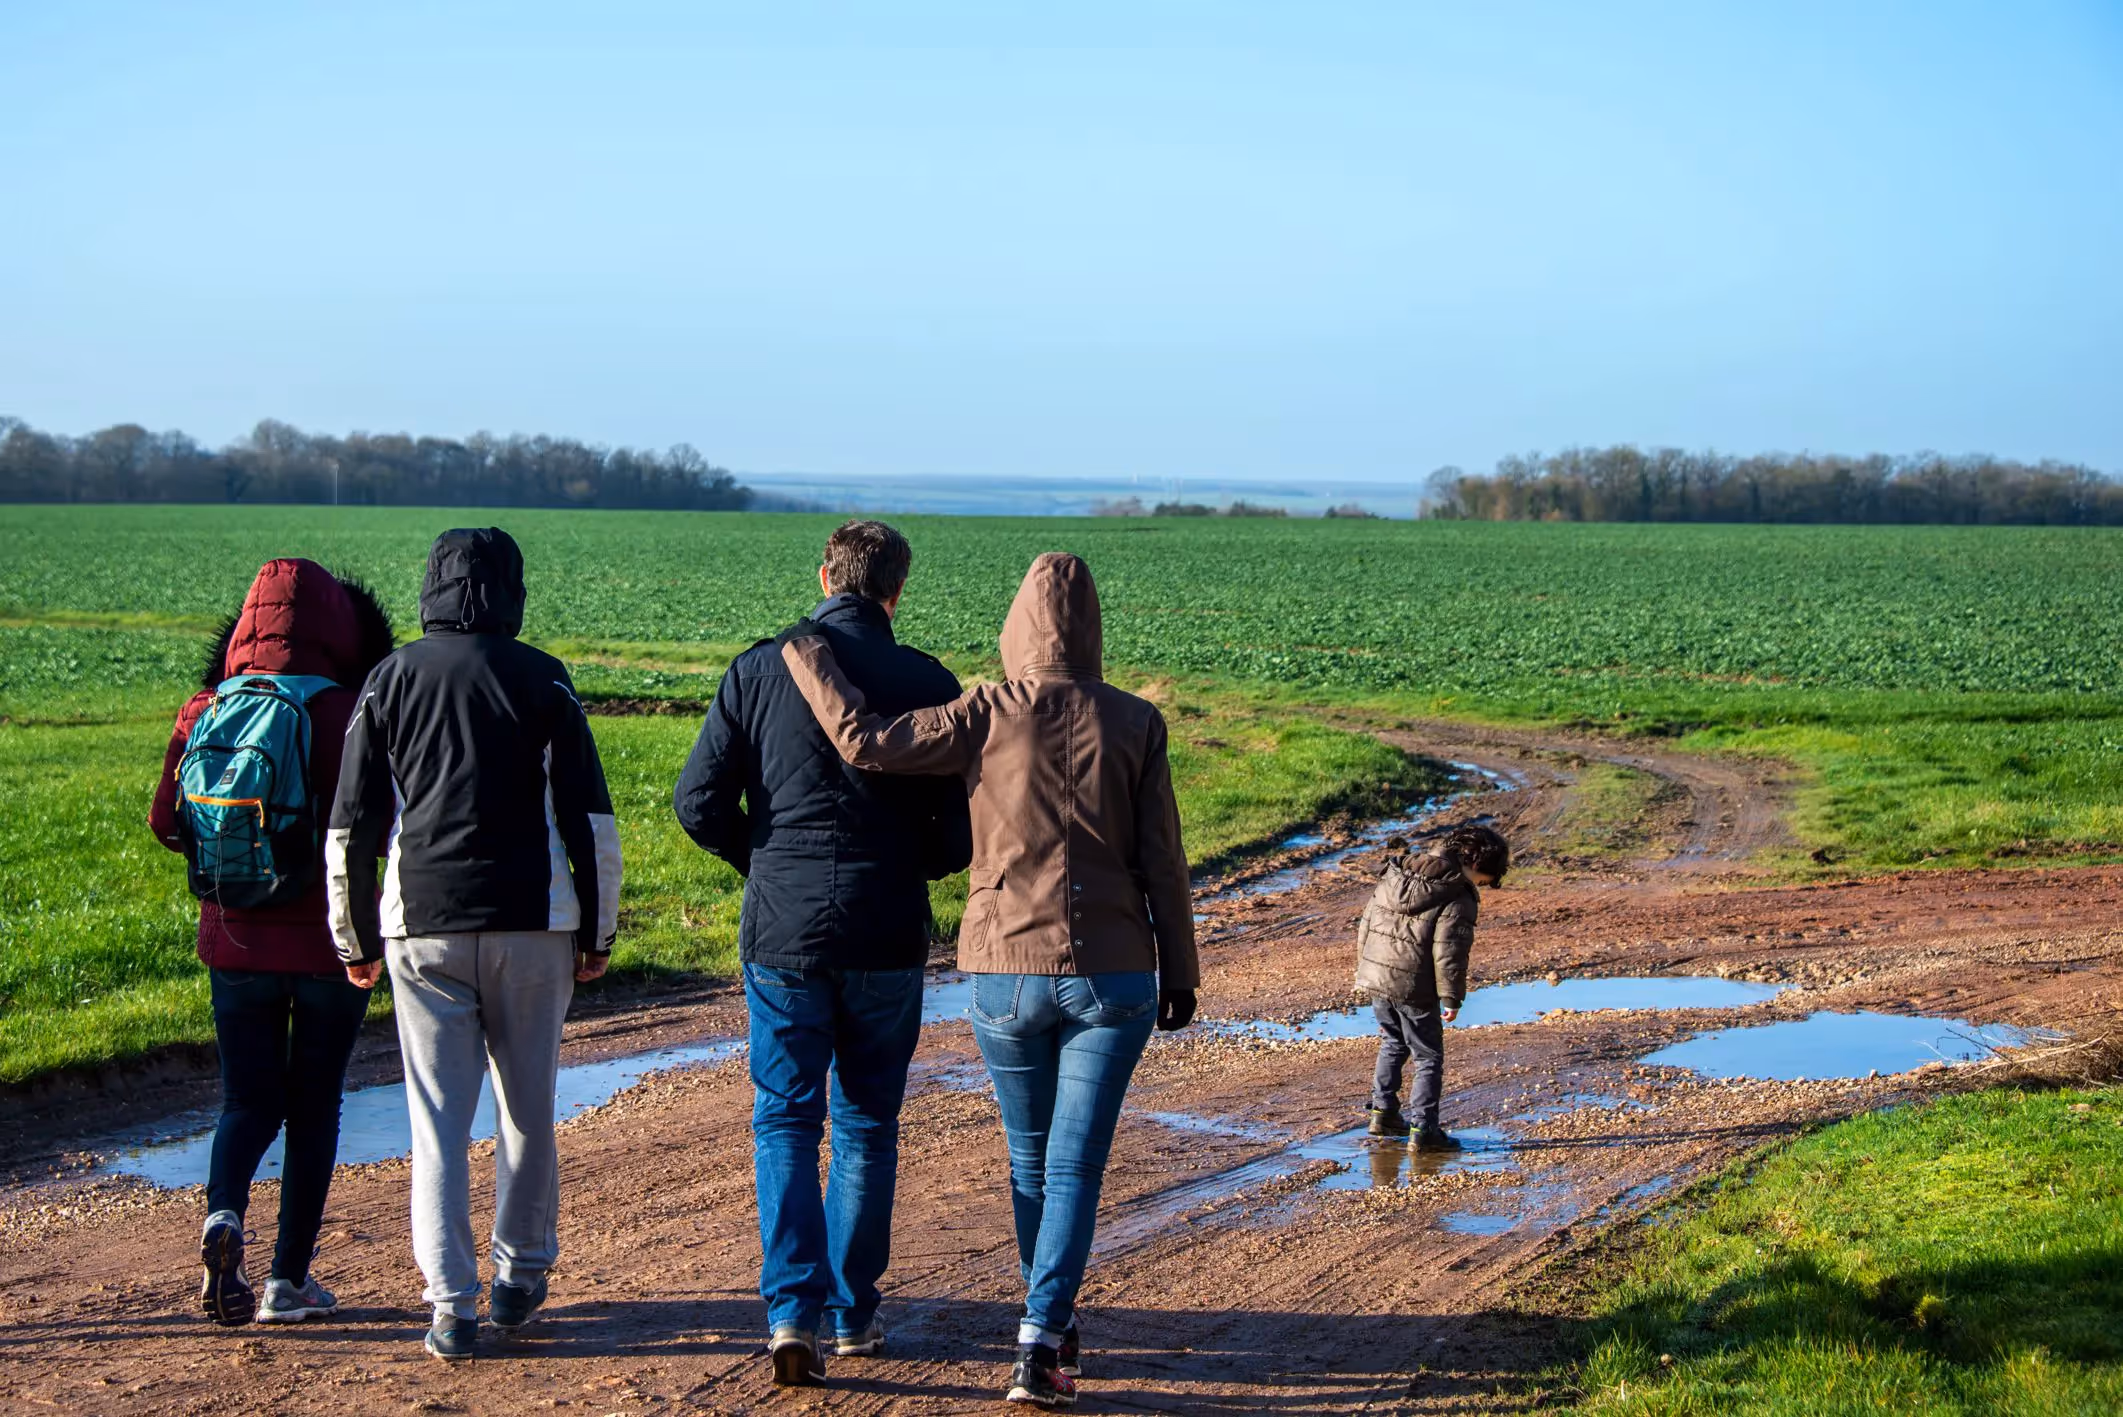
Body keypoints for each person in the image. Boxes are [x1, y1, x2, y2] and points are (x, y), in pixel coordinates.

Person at [779, 551, 1199, 1410]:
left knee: (1031, 1158)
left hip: (1005, 965)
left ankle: (1046, 1316)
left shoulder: (985, 709)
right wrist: (1180, 969)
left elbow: (867, 741)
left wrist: (809, 657)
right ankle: (1043, 1334)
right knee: (1076, 1165)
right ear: (1092, 628)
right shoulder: (1137, 721)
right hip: (1116, 970)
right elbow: (1164, 857)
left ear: (1016, 626)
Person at [673, 519, 971, 1387]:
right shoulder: (926, 682)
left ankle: (789, 1311)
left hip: (782, 929)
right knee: (870, 1123)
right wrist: (902, 864)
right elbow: (957, 835)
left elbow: (697, 801)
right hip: (885, 927)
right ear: (896, 589)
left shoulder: (759, 668)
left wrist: (761, 858)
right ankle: (853, 1313)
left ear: (823, 576)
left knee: (786, 1119)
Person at [326, 528, 621, 1362]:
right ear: (510, 590)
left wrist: (349, 934)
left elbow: (351, 823)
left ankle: (450, 1305)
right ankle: (521, 1275)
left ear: (431, 587)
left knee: (438, 1125)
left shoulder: (389, 679)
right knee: (526, 1109)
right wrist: (597, 930)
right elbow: (589, 820)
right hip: (534, 923)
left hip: (421, 923)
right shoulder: (543, 677)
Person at [150, 558, 395, 1327]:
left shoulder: (204, 707)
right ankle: (290, 1281)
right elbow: (380, 826)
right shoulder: (348, 712)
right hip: (330, 948)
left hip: (236, 945)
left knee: (245, 1101)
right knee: (314, 1106)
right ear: (340, 626)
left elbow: (165, 822)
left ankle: (223, 1216)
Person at [1352, 823, 1511, 1149]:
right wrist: (1451, 997)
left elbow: (1366, 923)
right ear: (1477, 865)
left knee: (1393, 1042)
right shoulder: (1457, 893)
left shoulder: (1396, 872)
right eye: (1488, 879)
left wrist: (1366, 970)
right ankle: (1425, 1132)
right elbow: (1449, 952)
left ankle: (1383, 1115)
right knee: (1428, 1057)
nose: (1486, 885)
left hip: (1377, 976)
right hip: (1414, 985)